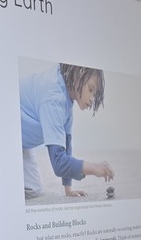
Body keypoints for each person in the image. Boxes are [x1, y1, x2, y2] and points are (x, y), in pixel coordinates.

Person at [19, 62, 114, 198]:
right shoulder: (54, 97)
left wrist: (68, 190)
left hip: (23, 143)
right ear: (77, 75)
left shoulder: (67, 101)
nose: (92, 99)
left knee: (34, 191)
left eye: (95, 94)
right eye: (91, 89)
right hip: (5, 131)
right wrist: (94, 168)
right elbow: (58, 163)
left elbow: (66, 149)